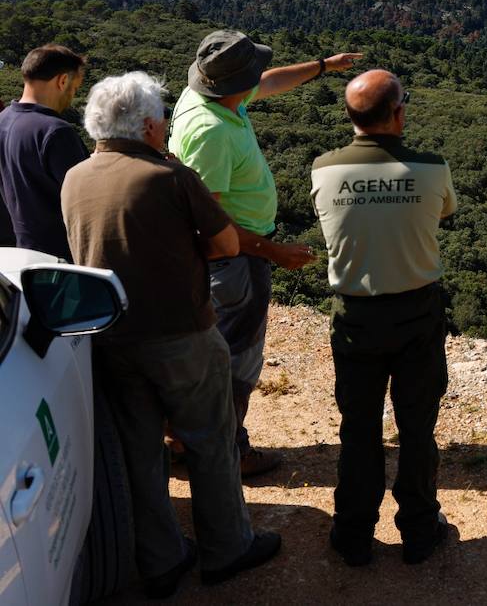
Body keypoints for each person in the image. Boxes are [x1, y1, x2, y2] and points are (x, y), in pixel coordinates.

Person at [61, 72, 281, 598]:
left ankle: (159, 560)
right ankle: (226, 549)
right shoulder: (168, 177)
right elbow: (227, 243)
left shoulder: (74, 177)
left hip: (110, 334)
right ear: (147, 126)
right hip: (180, 331)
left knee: (140, 449)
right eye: (159, 117)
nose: (164, 124)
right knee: (210, 441)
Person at [170, 30, 362, 477]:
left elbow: (271, 81)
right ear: (233, 84)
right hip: (234, 260)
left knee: (223, 353)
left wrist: (323, 66)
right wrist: (273, 251)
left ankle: (185, 440)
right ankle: (230, 452)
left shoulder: (214, 95)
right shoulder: (211, 131)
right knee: (234, 360)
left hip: (239, 254)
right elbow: (207, 222)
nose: (259, 79)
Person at [310, 70, 458, 567]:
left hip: (354, 317)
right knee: (417, 427)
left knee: (359, 427)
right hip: (417, 313)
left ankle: (352, 534)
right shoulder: (432, 168)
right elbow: (443, 212)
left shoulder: (323, 169)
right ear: (398, 113)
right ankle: (419, 529)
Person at [0, 44, 88, 257]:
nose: (72, 95)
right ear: (62, 81)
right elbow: (86, 201)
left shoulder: (2, 120)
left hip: (14, 256)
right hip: (57, 260)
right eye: (74, 88)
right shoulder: (56, 132)